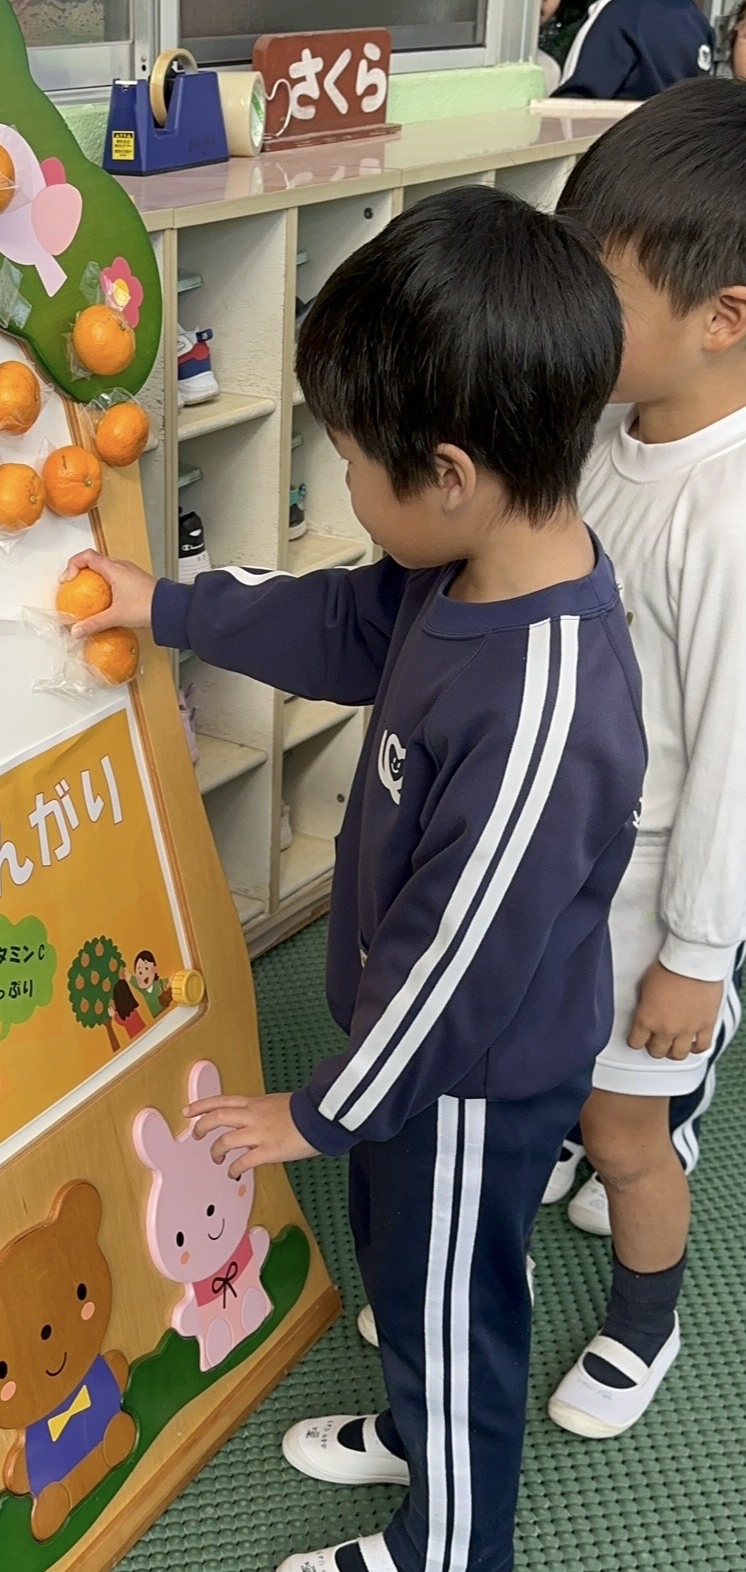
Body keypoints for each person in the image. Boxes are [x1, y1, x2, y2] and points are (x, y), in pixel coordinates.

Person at [61, 185, 646, 1572]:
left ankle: (449, 1544)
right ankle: (417, 1428)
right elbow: (337, 622)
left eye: (348, 466)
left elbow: (459, 961)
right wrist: (172, 608)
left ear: (446, 473)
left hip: (465, 1082)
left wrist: (319, 1110)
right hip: (406, 1061)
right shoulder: (459, 570)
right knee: (403, 1267)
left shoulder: (542, 705)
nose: (344, 493)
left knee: (450, 1306)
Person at [537, 76, 746, 1440]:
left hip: (650, 893)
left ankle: (643, 1319)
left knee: (625, 1132)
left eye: (596, 294)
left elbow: (734, 762)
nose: (566, 315)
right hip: (564, 864)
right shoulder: (611, 435)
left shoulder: (725, 518)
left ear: (721, 319)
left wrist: (694, 956)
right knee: (550, 1077)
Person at [553, 0, 713, 98]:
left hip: (626, 139)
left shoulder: (620, 11)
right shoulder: (698, 21)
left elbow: (573, 104)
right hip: (672, 139)